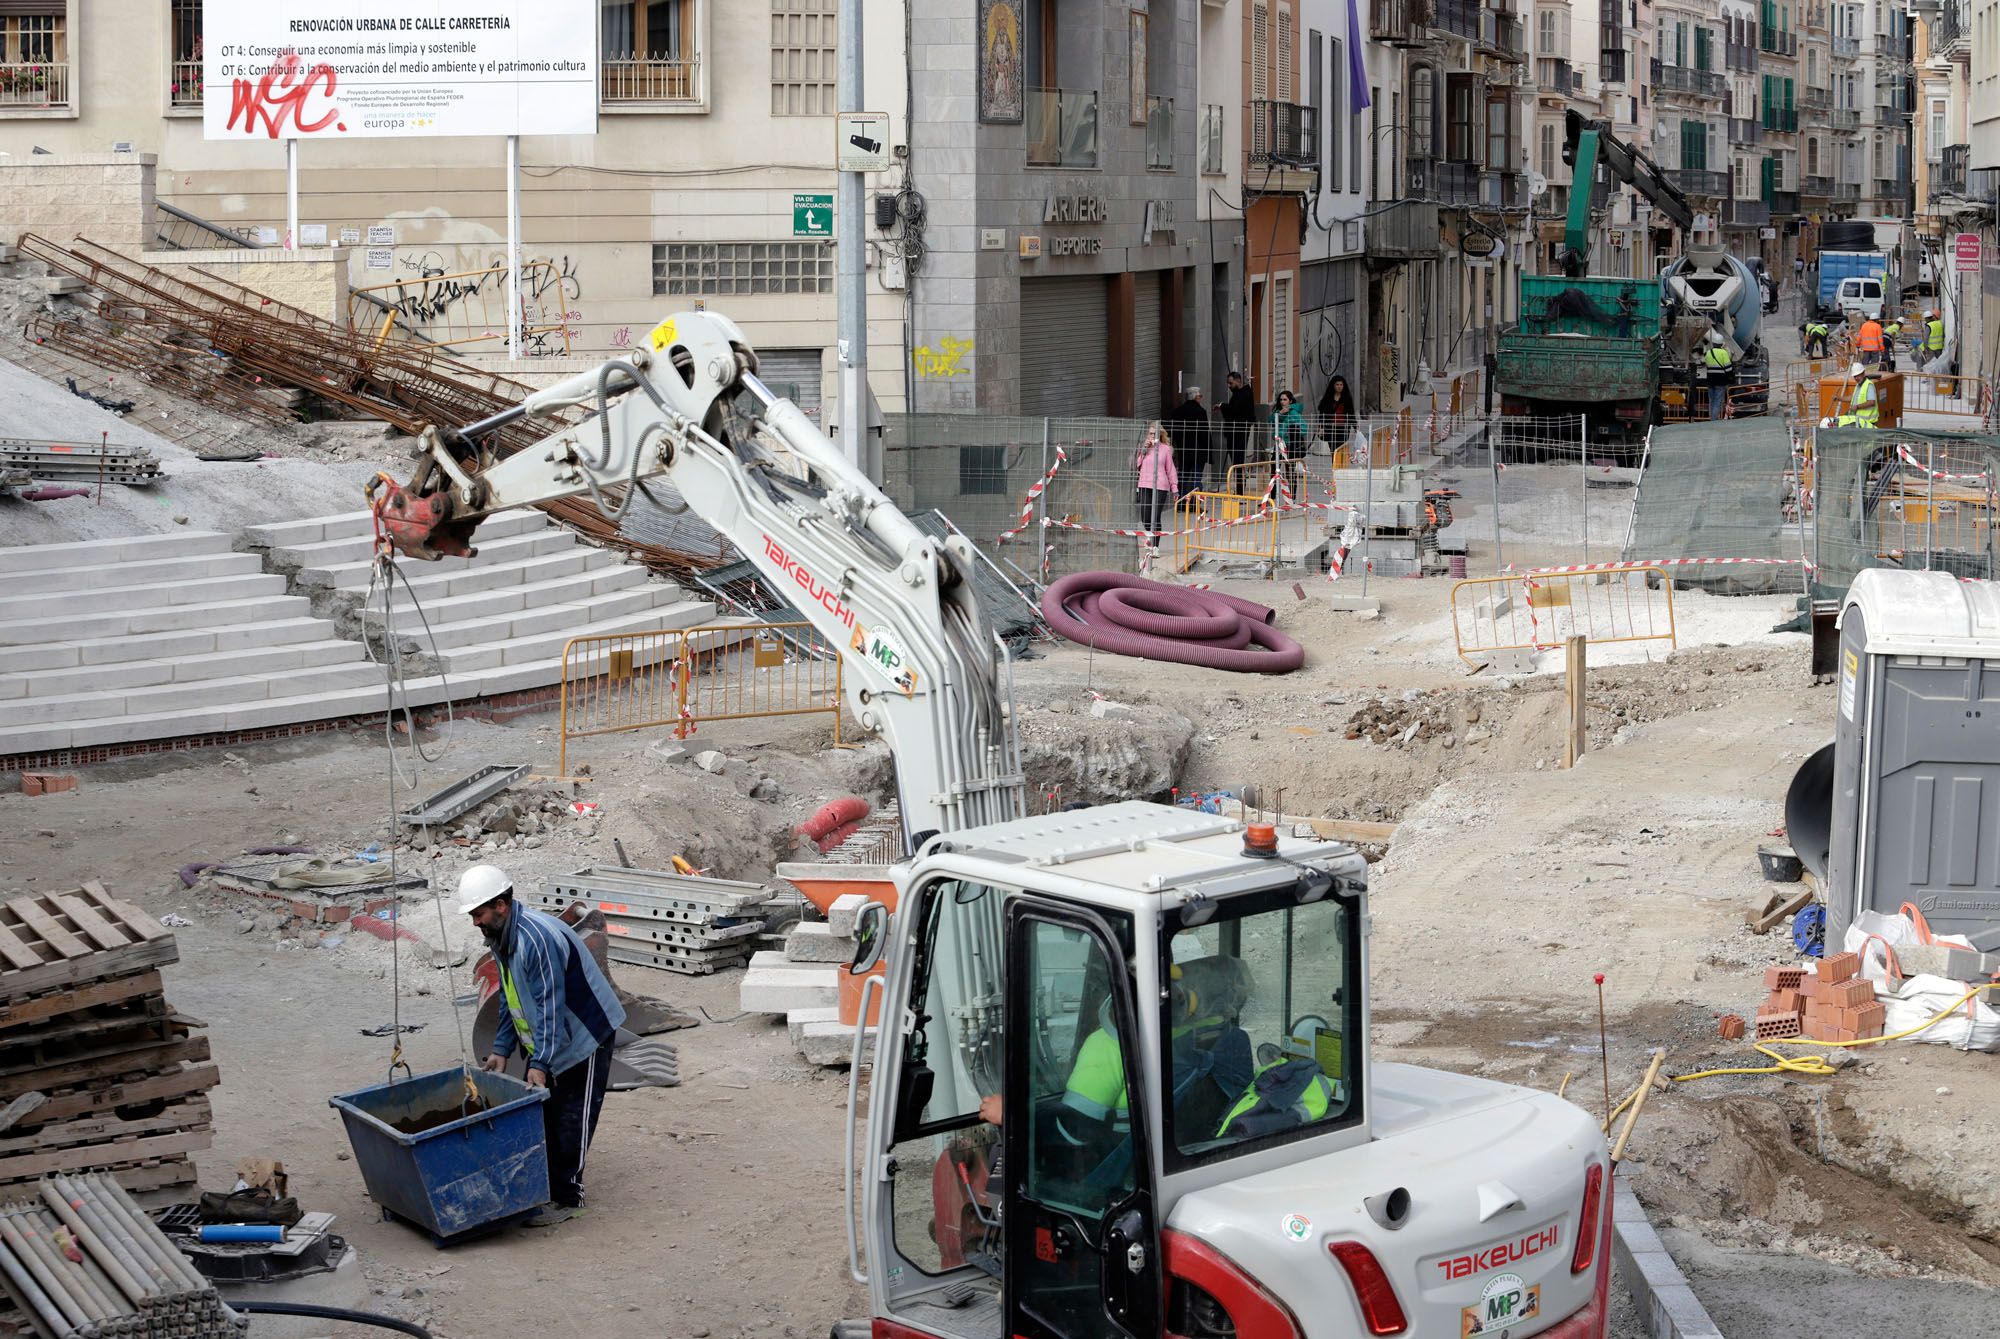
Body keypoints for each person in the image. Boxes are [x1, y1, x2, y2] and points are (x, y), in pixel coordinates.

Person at [460, 864, 625, 1227]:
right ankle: (547, 1186)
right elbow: (511, 996)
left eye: (478, 913)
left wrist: (540, 1062)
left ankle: (568, 1198)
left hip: (586, 1034)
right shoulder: (502, 937)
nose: (475, 921)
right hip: (553, 1035)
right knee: (548, 1112)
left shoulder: (535, 939)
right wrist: (502, 1047)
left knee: (573, 1115)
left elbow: (550, 1003)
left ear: (501, 905)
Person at [1133, 420, 1178, 551]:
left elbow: (1171, 469)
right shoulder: (1143, 448)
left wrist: (1174, 488)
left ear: (1160, 435)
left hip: (1160, 486)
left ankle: (1155, 546)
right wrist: (1143, 450)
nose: (1152, 437)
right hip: (1144, 484)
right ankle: (1150, 537)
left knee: (1155, 516)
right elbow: (1136, 464)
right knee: (1145, 517)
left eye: (1155, 434)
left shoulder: (1166, 449)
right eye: (1150, 434)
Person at [1164, 385, 1212, 493]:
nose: (1201, 398)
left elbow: (1172, 430)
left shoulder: (1178, 412)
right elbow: (1205, 433)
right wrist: (1208, 452)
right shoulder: (1200, 412)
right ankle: (1195, 503)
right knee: (1196, 477)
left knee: (1183, 477)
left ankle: (1181, 502)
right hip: (1199, 450)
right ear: (1196, 397)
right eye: (1200, 396)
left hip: (1184, 449)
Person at [1219, 371, 1256, 479]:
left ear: (1238, 381)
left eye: (1231, 383)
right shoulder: (1240, 394)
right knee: (1236, 461)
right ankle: (1239, 487)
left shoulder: (1243, 394)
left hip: (1239, 432)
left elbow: (1234, 410)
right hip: (1235, 431)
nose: (1229, 386)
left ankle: (1240, 489)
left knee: (1237, 460)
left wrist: (1222, 406)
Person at [1317, 373, 1358, 460]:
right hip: (1330, 428)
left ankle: (1340, 469)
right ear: (1333, 386)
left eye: (1341, 385)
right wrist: (1320, 426)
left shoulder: (1347, 398)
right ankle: (1335, 470)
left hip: (1343, 428)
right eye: (1337, 384)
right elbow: (1322, 413)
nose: (1339, 387)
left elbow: (1351, 414)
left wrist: (1355, 427)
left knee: (1341, 450)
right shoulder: (1328, 398)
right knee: (1333, 451)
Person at [1702, 331, 1735, 420]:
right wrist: (1731, 378)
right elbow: (1728, 368)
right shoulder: (1723, 353)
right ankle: (1713, 420)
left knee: (1712, 401)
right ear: (1721, 344)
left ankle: (1712, 418)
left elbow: (1705, 364)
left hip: (1710, 380)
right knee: (1718, 401)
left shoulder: (1709, 352)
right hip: (1720, 381)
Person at [1849, 363, 1881, 429]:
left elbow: (1871, 402)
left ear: (1863, 374)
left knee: (1868, 439)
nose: (1856, 378)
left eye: (1858, 376)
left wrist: (1857, 407)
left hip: (1868, 421)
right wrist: (1839, 398)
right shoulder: (1858, 385)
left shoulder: (1868, 385)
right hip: (1860, 421)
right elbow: (1853, 398)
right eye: (1855, 376)